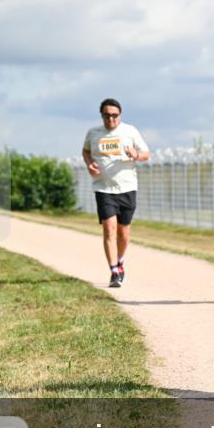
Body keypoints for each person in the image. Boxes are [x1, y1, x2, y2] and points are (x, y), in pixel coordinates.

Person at [82, 98, 150, 288]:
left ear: (120, 115)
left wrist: (135, 155)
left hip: (127, 187)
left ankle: (120, 261)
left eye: (115, 115)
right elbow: (86, 151)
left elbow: (146, 154)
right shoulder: (93, 133)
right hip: (103, 188)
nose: (111, 119)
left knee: (123, 233)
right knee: (109, 229)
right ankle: (113, 272)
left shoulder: (130, 131)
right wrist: (90, 165)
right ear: (102, 115)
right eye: (107, 115)